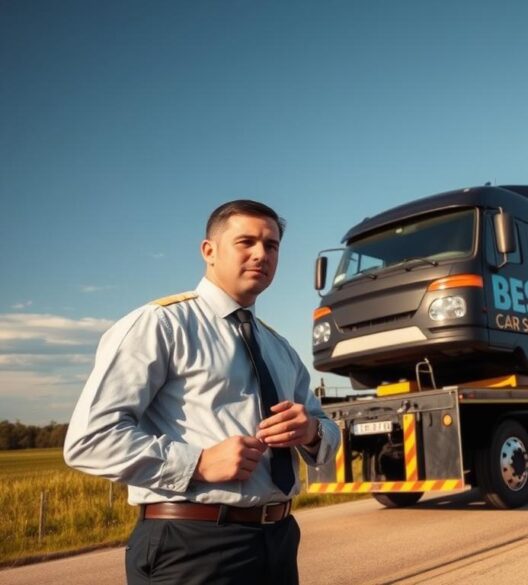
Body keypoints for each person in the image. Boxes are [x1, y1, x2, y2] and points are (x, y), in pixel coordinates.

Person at [64, 200, 340, 585]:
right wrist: (197, 463)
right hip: (192, 545)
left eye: (271, 245)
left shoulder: (280, 348)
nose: (261, 254)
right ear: (208, 251)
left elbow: (327, 430)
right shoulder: (160, 325)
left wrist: (310, 431)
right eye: (246, 242)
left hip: (278, 540)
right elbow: (89, 440)